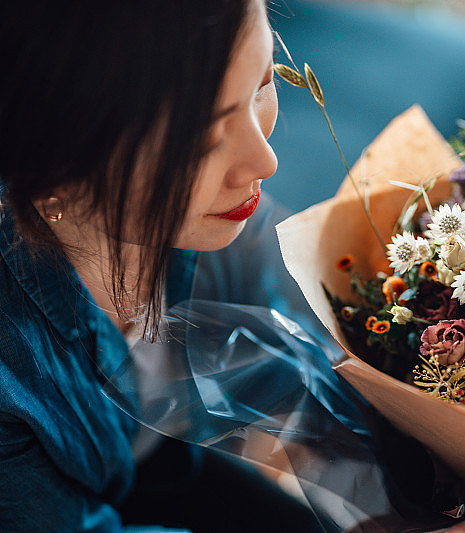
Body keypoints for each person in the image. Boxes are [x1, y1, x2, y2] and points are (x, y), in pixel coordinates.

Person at [0, 1, 324, 531]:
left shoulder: (211, 220)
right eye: (201, 139)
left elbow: (290, 350)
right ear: (54, 167)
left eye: (261, 85)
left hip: (159, 460)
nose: (265, 160)